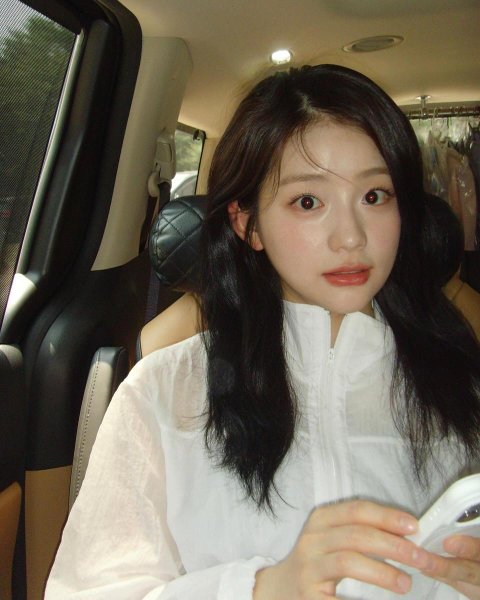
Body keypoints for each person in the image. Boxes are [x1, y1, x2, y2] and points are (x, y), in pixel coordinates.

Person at [45, 65, 480, 599]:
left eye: (375, 195)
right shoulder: (161, 394)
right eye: (308, 201)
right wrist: (262, 589)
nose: (351, 238)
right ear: (247, 224)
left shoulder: (464, 383)